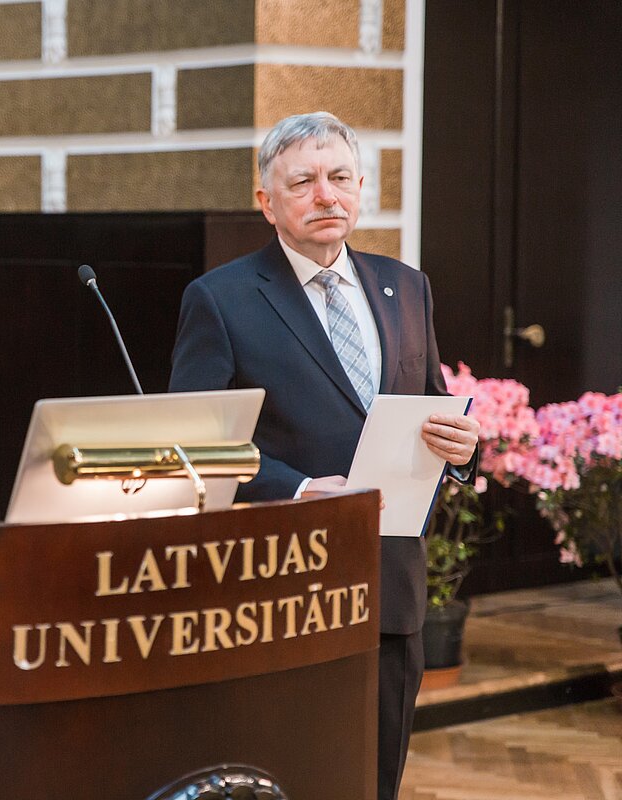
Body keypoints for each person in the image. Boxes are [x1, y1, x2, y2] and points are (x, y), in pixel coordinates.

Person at [168, 112, 479, 800]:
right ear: (266, 202)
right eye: (303, 182)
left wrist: (463, 447)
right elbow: (194, 441)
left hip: (390, 586)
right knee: (289, 774)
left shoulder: (407, 286)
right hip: (279, 587)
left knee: (376, 779)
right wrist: (302, 488)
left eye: (340, 177)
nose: (326, 195)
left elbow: (430, 401)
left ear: (362, 186)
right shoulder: (220, 299)